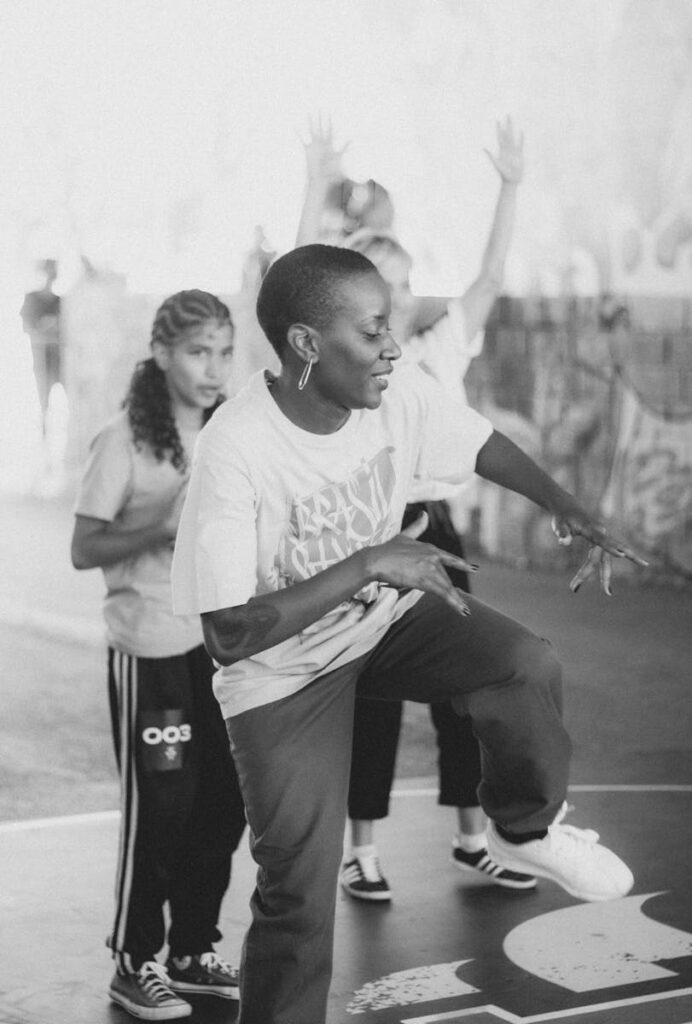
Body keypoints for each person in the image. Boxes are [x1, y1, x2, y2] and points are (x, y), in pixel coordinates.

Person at [171, 244, 645, 1024]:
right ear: (306, 344)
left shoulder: (395, 391)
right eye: (373, 330)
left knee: (522, 663)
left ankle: (523, 828)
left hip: (383, 616)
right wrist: (367, 562)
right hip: (281, 671)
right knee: (298, 893)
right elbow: (227, 633)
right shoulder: (237, 447)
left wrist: (564, 503)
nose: (393, 346)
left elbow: (479, 441)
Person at [299, 117, 536, 900]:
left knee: (466, 688)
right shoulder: (338, 365)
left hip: (436, 527)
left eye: (402, 282)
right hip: (369, 530)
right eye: (382, 283)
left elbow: (491, 276)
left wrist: (510, 185)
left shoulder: (436, 349)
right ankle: (361, 852)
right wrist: (315, 179)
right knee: (372, 695)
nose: (398, 295)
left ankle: (472, 840)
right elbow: (294, 282)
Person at [71, 290, 246, 1021]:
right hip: (149, 645)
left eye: (224, 352)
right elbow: (84, 547)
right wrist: (162, 527)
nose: (214, 369)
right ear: (162, 353)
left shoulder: (228, 431)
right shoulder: (123, 440)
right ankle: (133, 960)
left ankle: (192, 950)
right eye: (198, 352)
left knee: (225, 801)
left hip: (219, 643)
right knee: (163, 810)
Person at [20, 258, 62, 436]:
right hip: (41, 357)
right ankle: (43, 434)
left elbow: (67, 330)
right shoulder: (32, 299)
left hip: (59, 359)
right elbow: (27, 327)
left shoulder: (60, 301)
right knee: (43, 399)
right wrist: (43, 329)